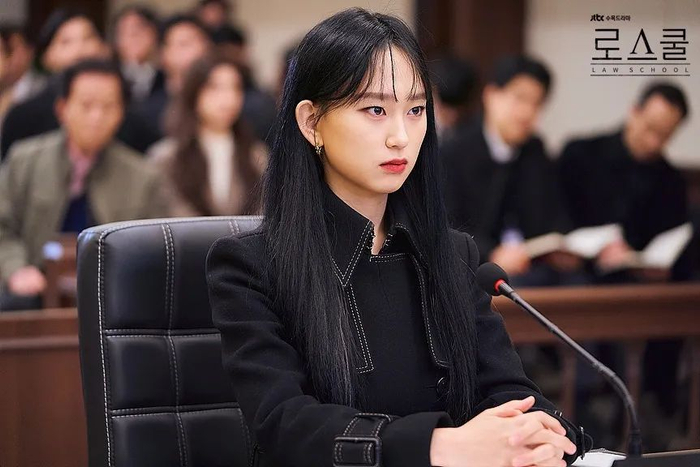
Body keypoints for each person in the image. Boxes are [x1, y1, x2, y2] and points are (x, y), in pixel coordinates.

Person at [206, 9, 590, 467]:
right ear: (311, 122)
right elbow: (286, 425)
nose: (401, 137)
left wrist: (542, 433)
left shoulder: (453, 255)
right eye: (375, 110)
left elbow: (509, 391)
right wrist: (442, 446)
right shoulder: (250, 266)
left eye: (416, 110)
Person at [0, 59, 167, 311]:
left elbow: (152, 248)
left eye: (108, 106)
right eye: (86, 105)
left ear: (121, 113)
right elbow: (3, 227)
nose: (96, 117)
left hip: (111, 296)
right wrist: (17, 269)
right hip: (34, 287)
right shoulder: (24, 160)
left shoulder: (142, 175)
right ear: (62, 108)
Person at [559, 82, 691, 283]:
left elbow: (667, 246)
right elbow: (558, 219)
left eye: (665, 135)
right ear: (634, 112)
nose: (654, 142)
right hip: (576, 273)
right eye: (650, 128)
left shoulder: (672, 182)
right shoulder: (580, 154)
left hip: (635, 283)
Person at [0, 8, 158, 160]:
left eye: (88, 38)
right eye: (66, 42)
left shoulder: (127, 114)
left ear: (104, 48)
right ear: (47, 56)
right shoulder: (23, 117)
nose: (80, 48)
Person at [149, 54, 265, 216]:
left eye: (236, 88)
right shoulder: (167, 156)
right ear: (194, 92)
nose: (229, 98)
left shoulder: (256, 155)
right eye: (215, 88)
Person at [137, 14, 212, 139]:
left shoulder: (227, 102)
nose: (197, 50)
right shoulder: (147, 112)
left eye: (201, 42)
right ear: (163, 54)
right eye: (184, 44)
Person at [111, 5, 160, 103]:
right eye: (125, 31)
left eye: (139, 30)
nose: (133, 37)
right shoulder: (110, 78)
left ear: (154, 34)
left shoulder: (166, 80)